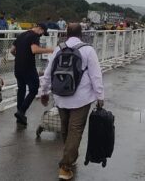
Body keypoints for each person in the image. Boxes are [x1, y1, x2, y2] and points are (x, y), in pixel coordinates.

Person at [40, 23, 105, 181]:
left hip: (61, 96)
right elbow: (96, 75)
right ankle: (65, 166)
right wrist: (100, 96)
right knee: (75, 131)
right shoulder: (88, 50)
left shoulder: (58, 49)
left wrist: (44, 92)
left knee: (66, 129)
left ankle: (70, 157)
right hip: (81, 99)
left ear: (66, 34)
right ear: (81, 34)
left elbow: (48, 72)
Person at [9, 23, 53, 125]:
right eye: (42, 33)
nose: (41, 35)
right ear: (40, 29)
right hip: (28, 67)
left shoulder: (22, 35)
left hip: (18, 67)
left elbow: (12, 50)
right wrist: (50, 50)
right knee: (34, 88)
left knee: (21, 89)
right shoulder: (34, 35)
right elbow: (35, 50)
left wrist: (19, 56)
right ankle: (22, 111)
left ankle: (20, 116)